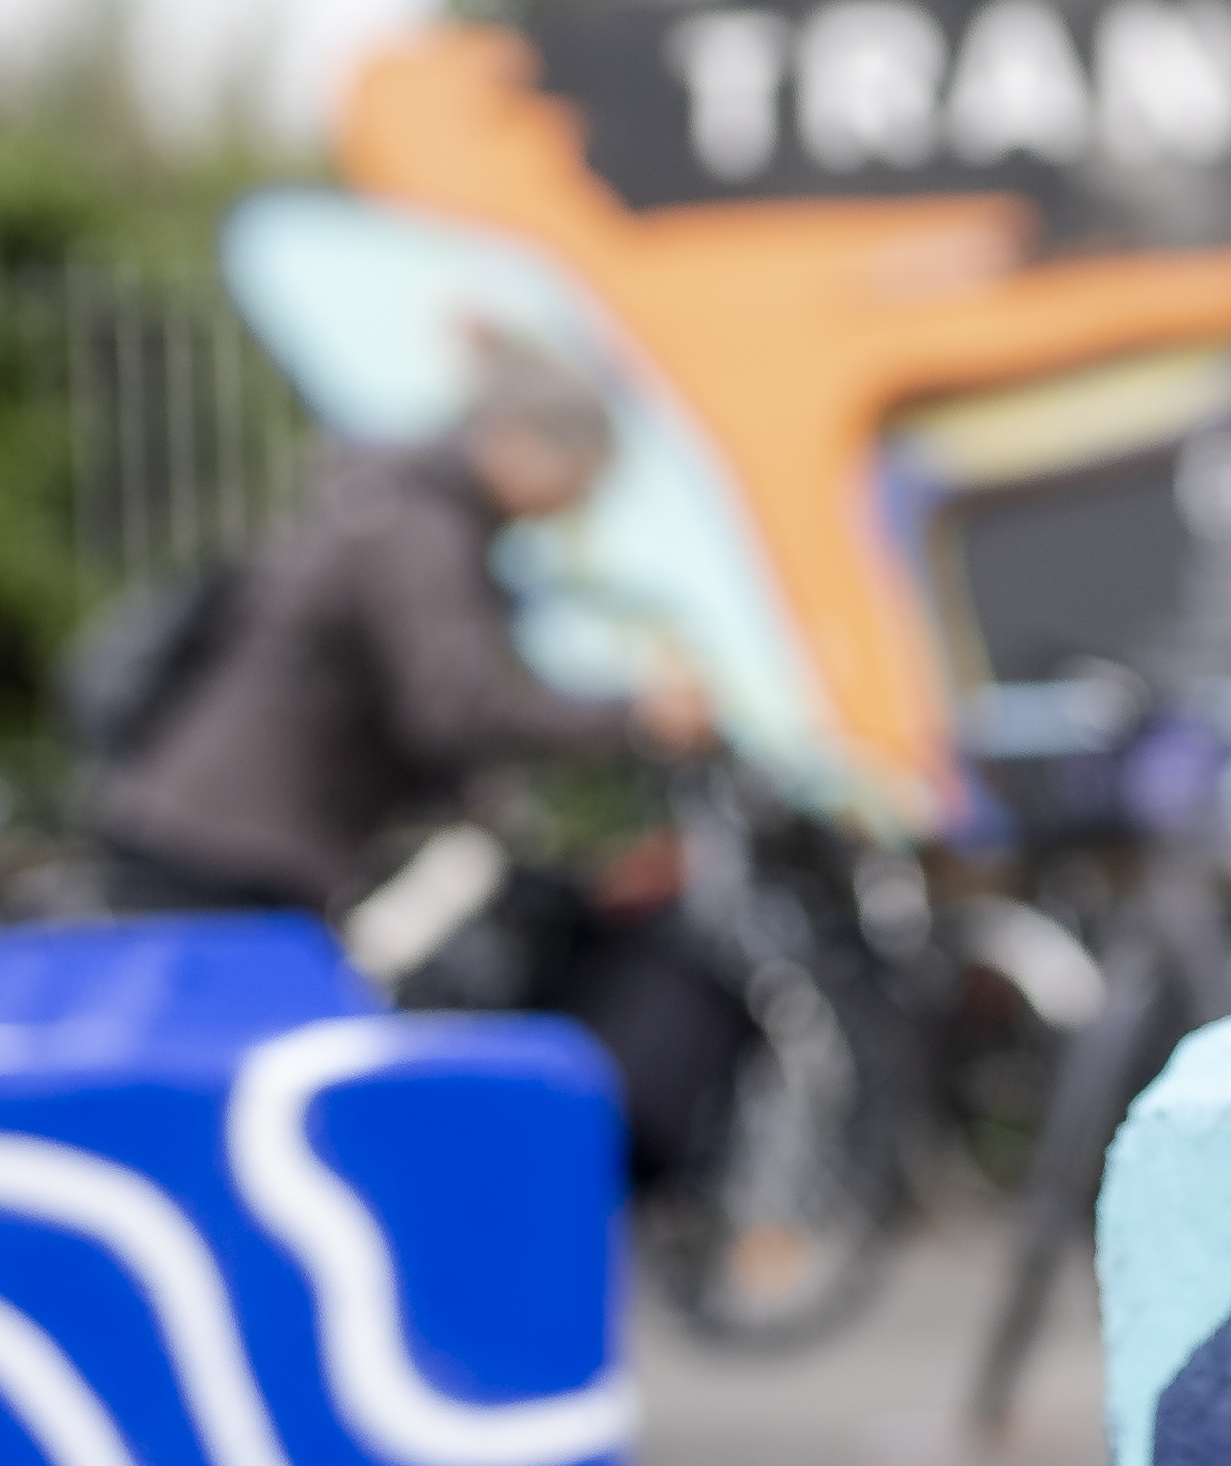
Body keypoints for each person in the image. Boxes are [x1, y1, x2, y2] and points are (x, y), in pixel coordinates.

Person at [92, 347, 743, 1187]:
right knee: (210, 1092)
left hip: (227, 829)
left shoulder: (403, 509)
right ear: (518, 445)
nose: (574, 504)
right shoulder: (422, 531)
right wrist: (635, 718)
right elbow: (454, 704)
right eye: (578, 476)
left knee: (220, 1080)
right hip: (230, 844)